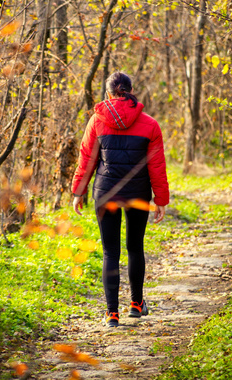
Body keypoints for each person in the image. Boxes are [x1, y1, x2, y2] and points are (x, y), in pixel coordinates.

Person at [72, 71, 169, 327]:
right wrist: (161, 199)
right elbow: (157, 166)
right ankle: (136, 305)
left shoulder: (96, 121)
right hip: (137, 193)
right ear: (131, 90)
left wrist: (79, 191)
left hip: (106, 192)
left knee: (110, 252)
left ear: (108, 93)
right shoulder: (150, 124)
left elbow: (87, 158)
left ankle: (112, 313)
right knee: (135, 247)